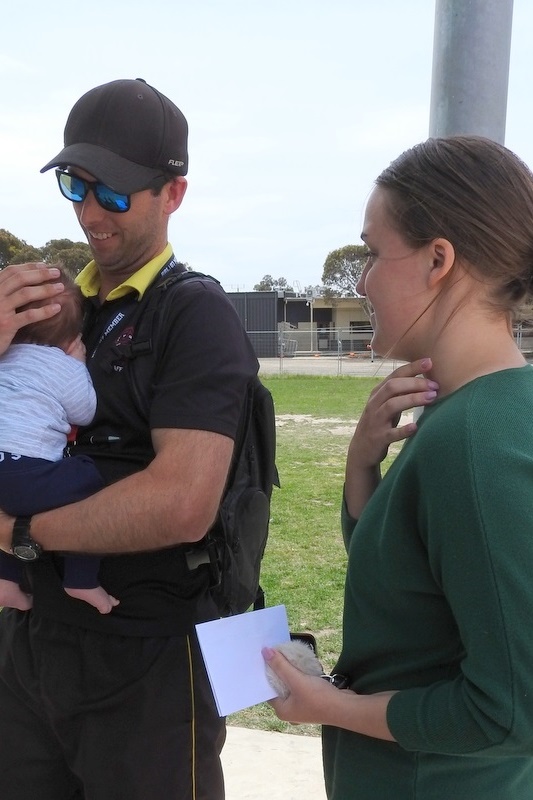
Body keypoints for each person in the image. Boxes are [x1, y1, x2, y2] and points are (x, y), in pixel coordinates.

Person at [0, 78, 258, 800]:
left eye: (112, 193)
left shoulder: (193, 315)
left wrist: (20, 532)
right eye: (74, 186)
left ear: (172, 194)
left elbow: (181, 503)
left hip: (145, 658)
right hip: (26, 646)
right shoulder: (43, 308)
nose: (89, 212)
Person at [263, 135, 533, 799]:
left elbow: (509, 713)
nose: (360, 281)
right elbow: (417, 574)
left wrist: (326, 705)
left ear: (438, 259)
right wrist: (362, 464)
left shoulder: (471, 440)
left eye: (373, 253)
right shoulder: (471, 410)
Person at [0, 266, 116, 614]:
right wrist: (78, 365)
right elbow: (85, 412)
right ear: (72, 336)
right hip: (27, 470)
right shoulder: (61, 365)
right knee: (88, 482)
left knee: (9, 508)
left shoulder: (3, 356)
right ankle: (80, 579)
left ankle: (6, 583)